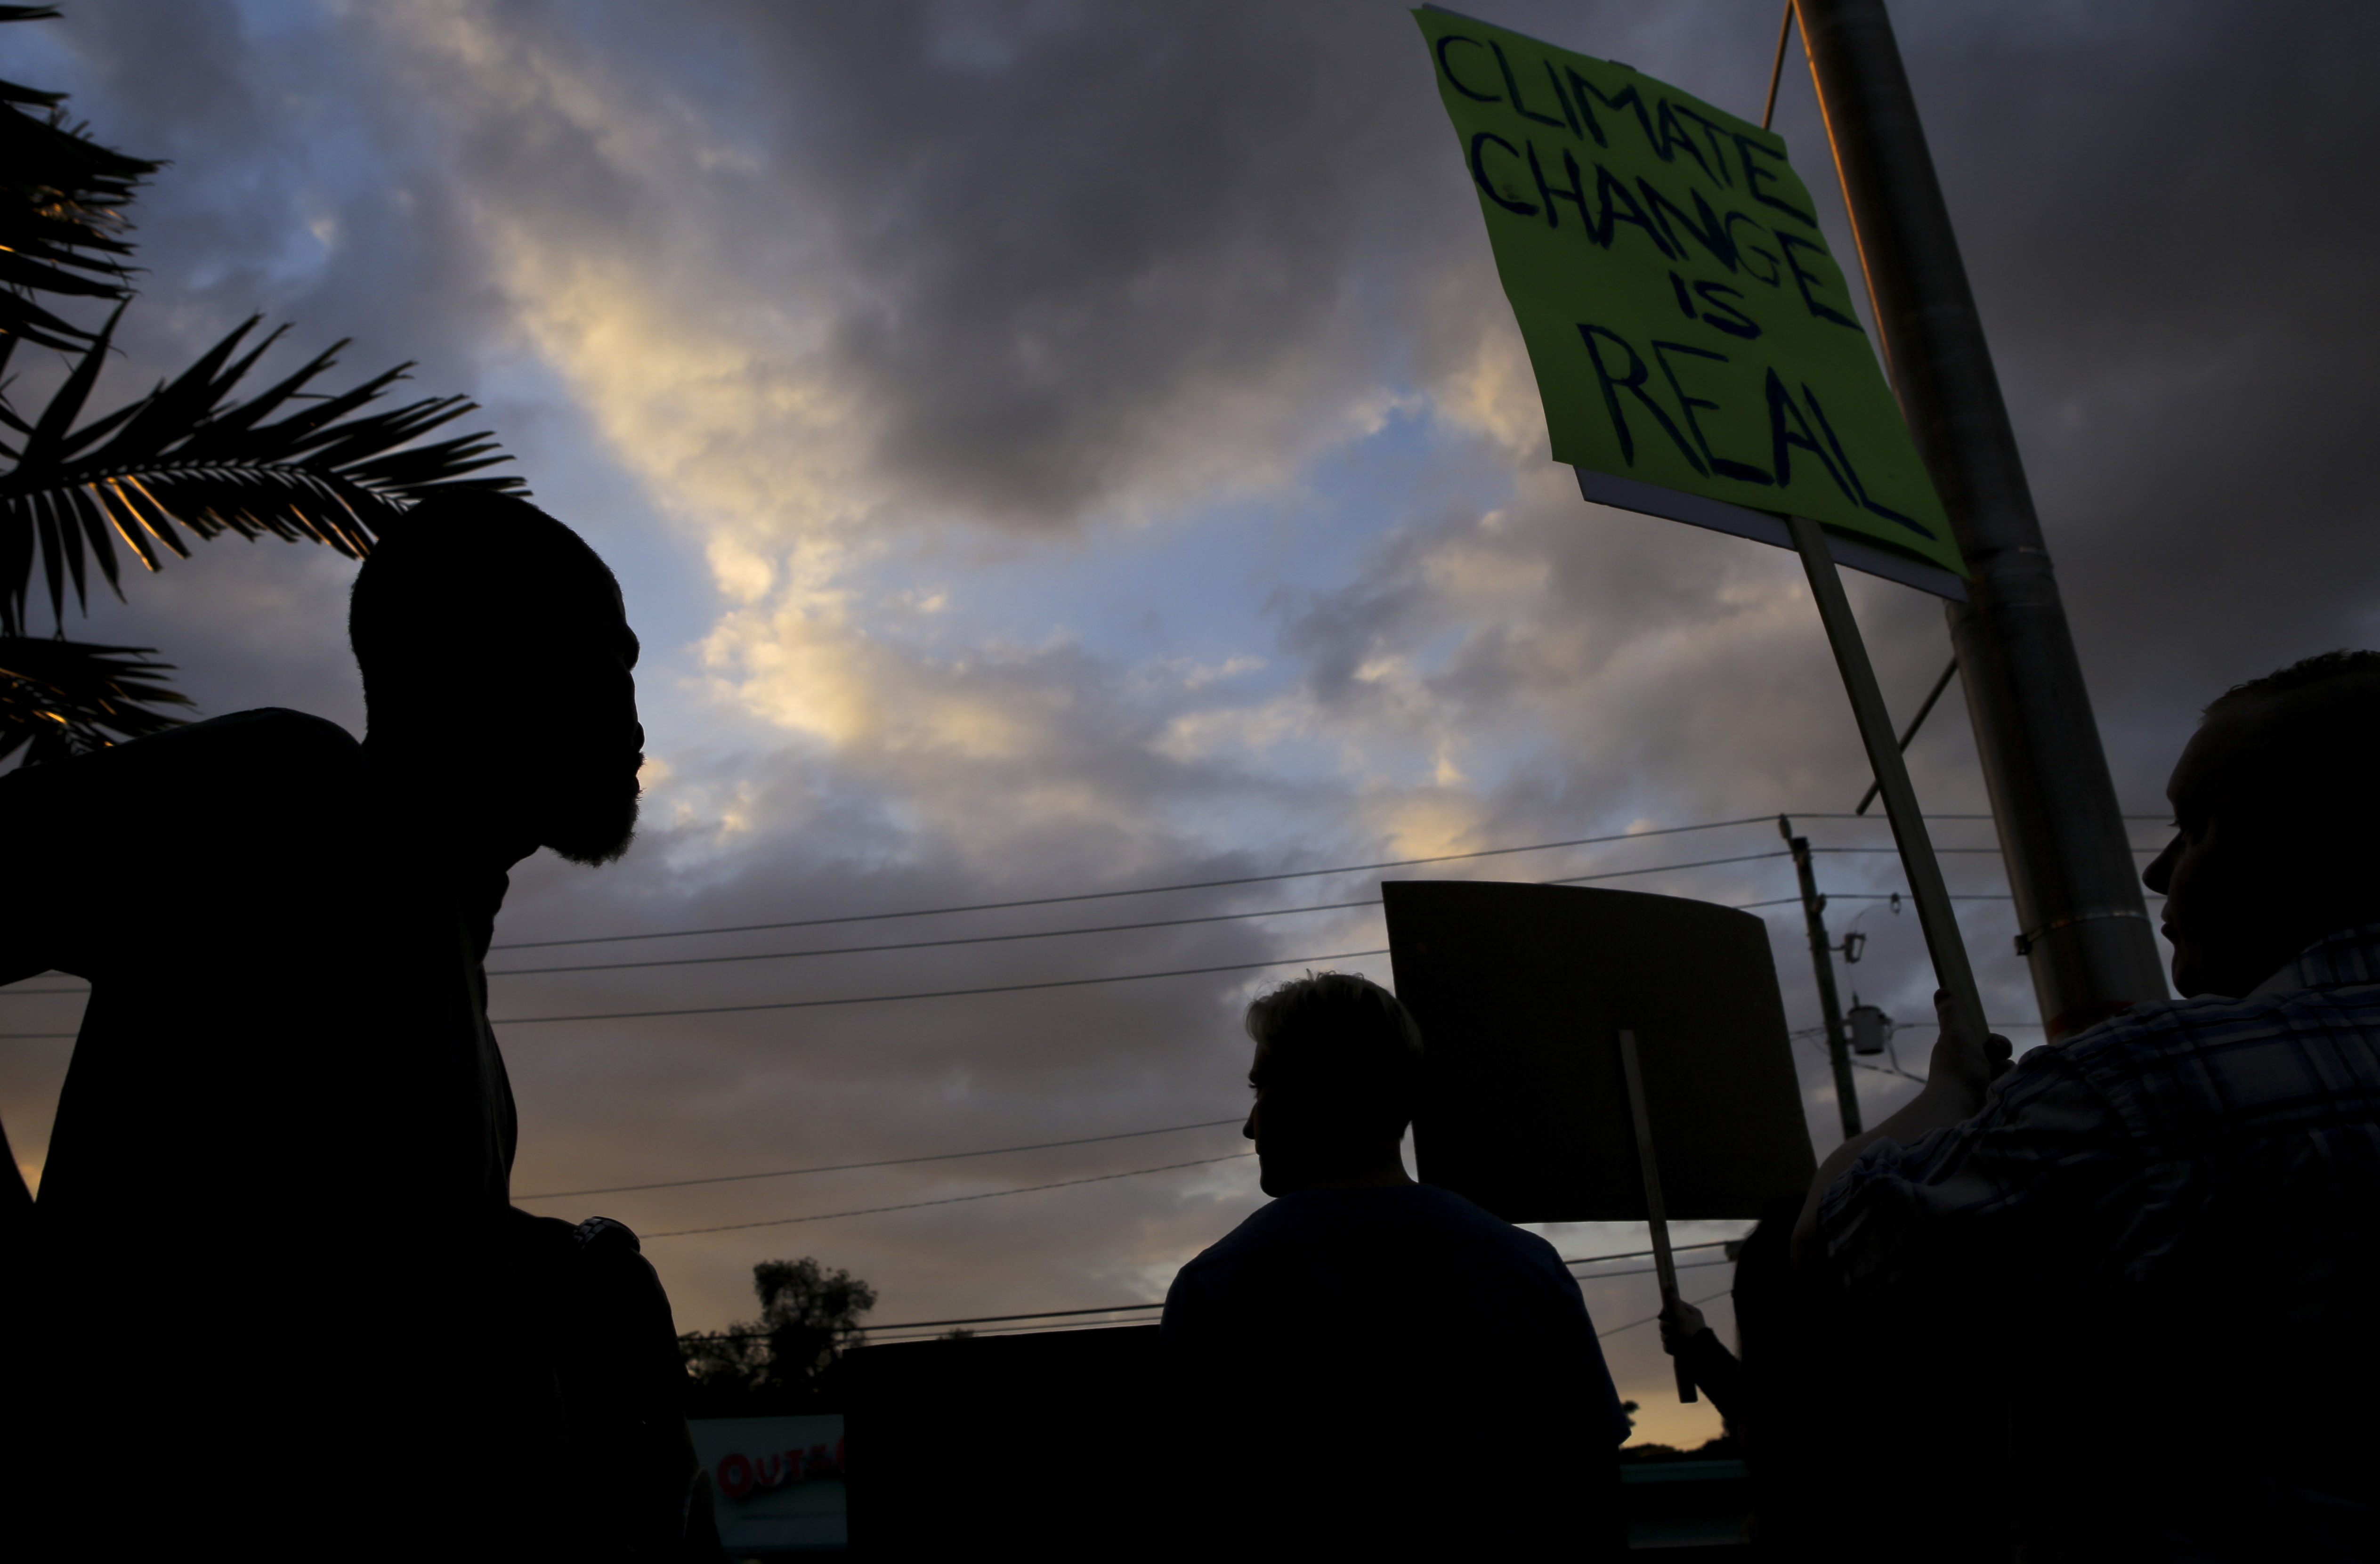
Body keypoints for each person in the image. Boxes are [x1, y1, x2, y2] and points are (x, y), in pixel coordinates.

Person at [0, 493, 702, 1556]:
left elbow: (305, 1239)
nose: (635, 716)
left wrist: (545, 1268)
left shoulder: (441, 968)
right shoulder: (290, 794)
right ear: (476, 664)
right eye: (607, 662)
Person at [1796, 650, 2380, 1559]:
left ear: (2314, 839)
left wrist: (1948, 1091)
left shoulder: (2151, 1082)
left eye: (2193, 826)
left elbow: (1833, 1245)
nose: (2155, 871)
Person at [1161, 971, 1629, 1556]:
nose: (1249, 1125)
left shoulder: (1218, 1286)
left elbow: (1193, 1509)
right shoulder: (1527, 1267)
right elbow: (1594, 1497)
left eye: (1260, 1088)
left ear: (1314, 1089)